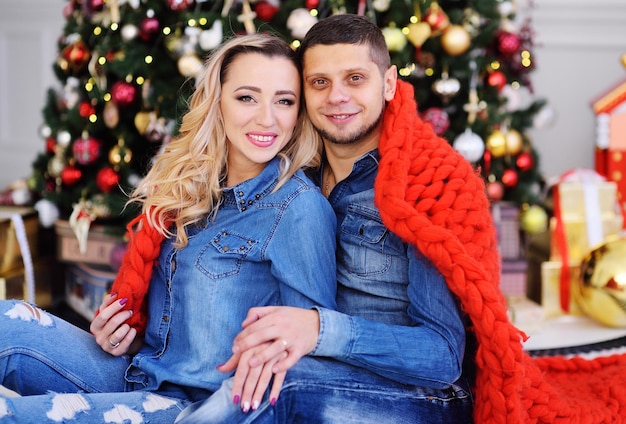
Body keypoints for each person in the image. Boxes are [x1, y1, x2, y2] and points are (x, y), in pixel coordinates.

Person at [176, 13, 505, 424]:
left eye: (354, 78)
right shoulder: (293, 178)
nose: (336, 97)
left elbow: (442, 357)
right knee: (264, 375)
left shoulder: (424, 183)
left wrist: (320, 330)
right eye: (319, 82)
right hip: (322, 372)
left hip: (422, 396)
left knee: (276, 385)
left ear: (388, 84)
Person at [0, 33, 338, 423]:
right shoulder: (189, 186)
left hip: (197, 408)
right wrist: (119, 334)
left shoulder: (298, 209)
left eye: (284, 100)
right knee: (9, 322)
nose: (267, 117)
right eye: (247, 97)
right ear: (217, 101)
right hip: (138, 374)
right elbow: (172, 321)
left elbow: (307, 361)